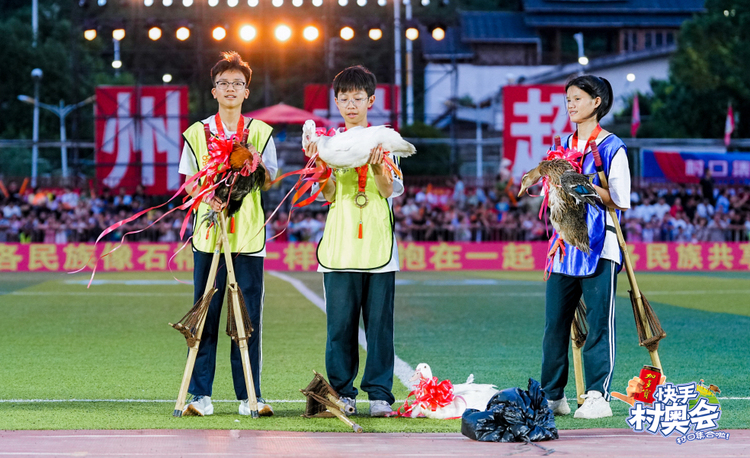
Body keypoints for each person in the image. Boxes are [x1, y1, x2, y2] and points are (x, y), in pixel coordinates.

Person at [178, 51, 278, 417]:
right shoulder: (196, 133)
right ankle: (200, 395)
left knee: (247, 319)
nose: (231, 89)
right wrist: (209, 195)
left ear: (247, 91)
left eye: (238, 83)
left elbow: (269, 179)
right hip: (209, 237)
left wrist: (255, 159)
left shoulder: (261, 132)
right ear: (214, 90)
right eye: (224, 84)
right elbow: (188, 183)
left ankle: (249, 395)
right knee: (205, 314)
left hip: (249, 237)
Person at [304, 65, 403, 417]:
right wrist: (320, 166)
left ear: (371, 101)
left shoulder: (385, 141)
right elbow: (329, 194)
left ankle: (379, 395)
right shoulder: (329, 145)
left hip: (378, 248)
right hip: (340, 248)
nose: (350, 104)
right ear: (335, 101)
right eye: (343, 98)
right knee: (340, 327)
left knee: (379, 327)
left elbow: (389, 189)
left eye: (357, 98)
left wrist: (378, 166)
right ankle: (342, 392)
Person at [541, 75, 630, 419]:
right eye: (567, 100)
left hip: (599, 246)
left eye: (577, 99)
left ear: (597, 102)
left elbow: (620, 199)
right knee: (555, 324)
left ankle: (597, 394)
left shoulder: (611, 147)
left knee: (598, 323)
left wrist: (587, 188)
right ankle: (552, 395)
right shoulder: (563, 144)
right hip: (563, 247)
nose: (571, 105)